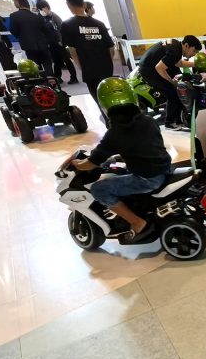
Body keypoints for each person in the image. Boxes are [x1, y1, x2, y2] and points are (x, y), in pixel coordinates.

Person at [71, 77, 172, 240]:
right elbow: (143, 146)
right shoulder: (149, 121)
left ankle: (136, 222)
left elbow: (91, 164)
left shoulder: (115, 134)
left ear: (104, 104)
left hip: (147, 179)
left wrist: (77, 164)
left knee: (99, 189)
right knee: (120, 169)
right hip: (164, 169)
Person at [61, 0, 115, 105]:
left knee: (99, 99)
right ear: (84, 4)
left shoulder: (67, 25)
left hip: (89, 69)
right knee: (110, 96)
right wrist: (109, 63)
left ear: (68, 4)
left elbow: (72, 51)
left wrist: (81, 67)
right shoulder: (99, 24)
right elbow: (111, 47)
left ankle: (107, 116)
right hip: (106, 67)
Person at [137, 35, 201, 130]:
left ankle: (178, 121)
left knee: (177, 90)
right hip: (148, 70)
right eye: (194, 51)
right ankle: (169, 123)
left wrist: (196, 64)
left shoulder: (176, 46)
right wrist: (171, 82)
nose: (194, 54)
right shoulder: (175, 51)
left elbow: (179, 63)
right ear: (187, 45)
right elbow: (159, 68)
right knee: (172, 93)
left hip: (149, 66)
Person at [9, 0, 55, 78]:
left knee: (34, 66)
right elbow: (45, 30)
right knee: (47, 63)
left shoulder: (14, 16)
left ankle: (40, 81)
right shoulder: (37, 17)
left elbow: (13, 30)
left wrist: (21, 36)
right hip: (42, 44)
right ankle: (51, 80)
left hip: (28, 45)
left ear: (17, 2)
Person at [36, 0, 77, 84]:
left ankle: (74, 77)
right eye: (41, 9)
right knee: (56, 61)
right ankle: (58, 77)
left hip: (59, 42)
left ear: (47, 7)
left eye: (44, 8)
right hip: (50, 44)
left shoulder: (54, 16)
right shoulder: (40, 18)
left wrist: (62, 41)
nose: (43, 10)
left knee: (66, 60)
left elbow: (61, 29)